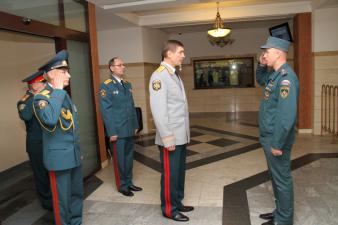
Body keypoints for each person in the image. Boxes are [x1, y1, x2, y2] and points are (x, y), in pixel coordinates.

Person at [33, 50, 83, 225]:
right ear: (52, 74)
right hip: (59, 159)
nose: (68, 75)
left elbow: (72, 125)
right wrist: (59, 90)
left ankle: (76, 222)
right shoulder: (42, 98)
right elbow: (50, 120)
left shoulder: (62, 95)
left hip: (74, 154)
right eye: (64, 72)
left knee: (76, 194)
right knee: (62, 200)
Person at [256, 36, 299, 225]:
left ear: (278, 53)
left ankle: (284, 220)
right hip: (269, 135)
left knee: (282, 179)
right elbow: (260, 80)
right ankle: (280, 211)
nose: (264, 54)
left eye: (267, 51)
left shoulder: (286, 78)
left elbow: (286, 116)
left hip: (276, 138)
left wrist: (277, 143)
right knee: (275, 177)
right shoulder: (274, 74)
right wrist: (261, 64)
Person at [149, 40, 193, 222]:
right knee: (170, 174)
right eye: (180, 52)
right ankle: (169, 208)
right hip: (170, 137)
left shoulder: (173, 74)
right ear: (168, 54)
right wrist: (167, 137)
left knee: (179, 172)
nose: (183, 55)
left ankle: (177, 201)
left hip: (180, 134)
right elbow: (159, 111)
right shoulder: (159, 76)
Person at [99, 57, 142, 197]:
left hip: (129, 128)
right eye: (119, 65)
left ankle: (129, 182)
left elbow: (131, 105)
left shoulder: (127, 84)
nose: (123, 67)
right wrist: (111, 132)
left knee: (129, 158)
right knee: (119, 160)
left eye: (123, 64)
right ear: (111, 68)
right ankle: (122, 185)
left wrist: (136, 124)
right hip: (117, 130)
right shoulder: (106, 85)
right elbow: (106, 111)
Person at [17, 71, 52, 211]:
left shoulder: (45, 97)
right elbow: (25, 116)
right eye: (42, 83)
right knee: (41, 175)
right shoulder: (24, 101)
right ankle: (47, 202)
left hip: (50, 142)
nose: (44, 86)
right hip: (36, 144)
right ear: (34, 85)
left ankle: (55, 198)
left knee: (52, 172)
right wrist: (35, 97)